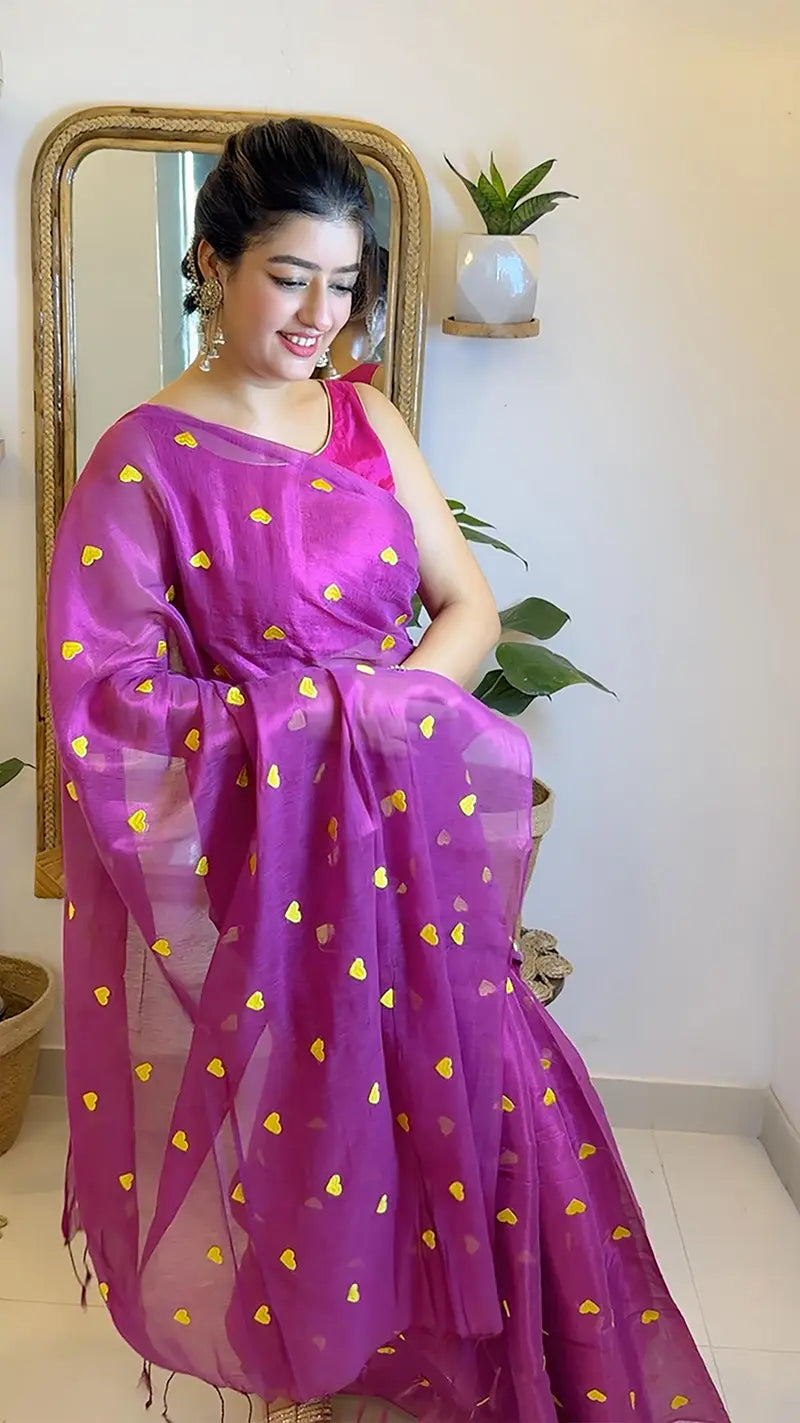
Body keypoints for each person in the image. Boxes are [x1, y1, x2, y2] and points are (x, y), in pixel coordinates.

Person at [46, 119, 729, 1423]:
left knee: (499, 1107)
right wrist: (310, 729)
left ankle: (472, 1378)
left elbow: (465, 607)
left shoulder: (365, 418)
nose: (320, 313)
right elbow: (108, 704)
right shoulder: (144, 460)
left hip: (409, 840)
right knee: (317, 1147)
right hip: (273, 875)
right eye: (290, 275)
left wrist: (389, 719)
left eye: (344, 283)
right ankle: (325, 1371)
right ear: (213, 262)